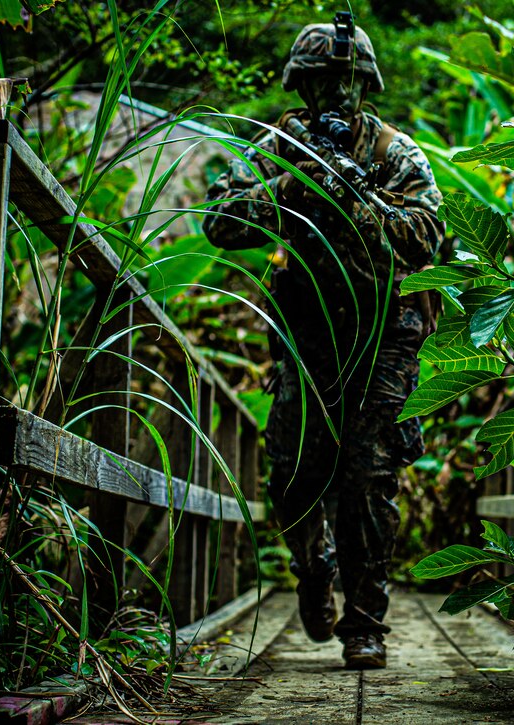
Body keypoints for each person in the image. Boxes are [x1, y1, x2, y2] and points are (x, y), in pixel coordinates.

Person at [202, 14, 444, 669]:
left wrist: (357, 195)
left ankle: (365, 623)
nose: (335, 97)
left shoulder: (395, 152)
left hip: (383, 335)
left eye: (347, 82)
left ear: (366, 85)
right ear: (301, 87)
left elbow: (428, 235)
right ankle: (315, 568)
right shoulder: (277, 148)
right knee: (293, 475)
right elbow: (218, 220)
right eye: (321, 83)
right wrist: (297, 187)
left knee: (370, 479)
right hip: (305, 336)